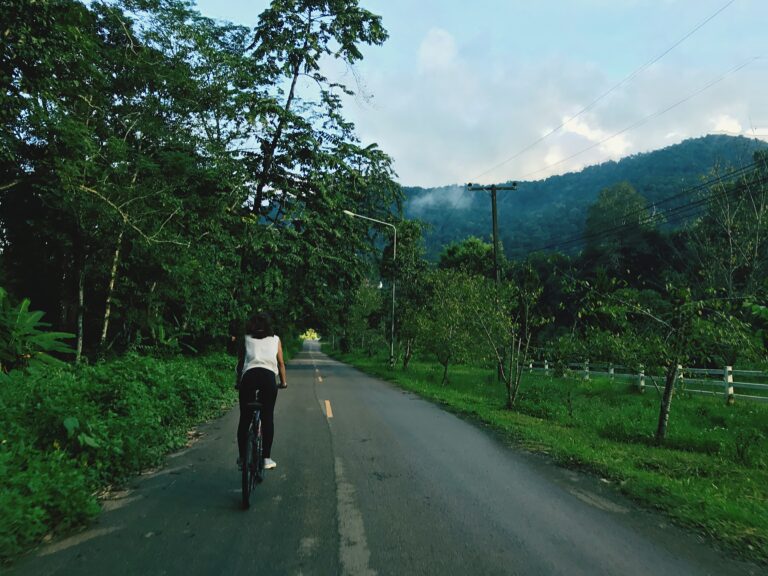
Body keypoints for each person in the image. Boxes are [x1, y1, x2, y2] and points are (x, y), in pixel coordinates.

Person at [235, 313, 287, 470]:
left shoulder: (246, 339)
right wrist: (283, 382)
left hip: (249, 378)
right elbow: (281, 363)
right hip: (268, 379)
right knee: (267, 417)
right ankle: (266, 458)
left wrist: (238, 382)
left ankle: (243, 458)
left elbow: (240, 363)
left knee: (245, 418)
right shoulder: (275, 339)